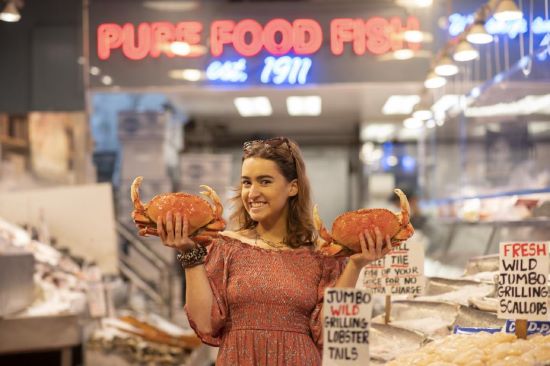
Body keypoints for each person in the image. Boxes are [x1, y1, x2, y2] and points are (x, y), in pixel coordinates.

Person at [156, 137, 391, 365]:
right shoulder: (226, 246)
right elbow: (205, 324)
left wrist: (355, 265)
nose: (252, 192)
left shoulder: (323, 254)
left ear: (293, 187)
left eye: (265, 181)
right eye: (247, 182)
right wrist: (189, 254)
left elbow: (329, 332)